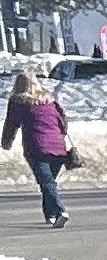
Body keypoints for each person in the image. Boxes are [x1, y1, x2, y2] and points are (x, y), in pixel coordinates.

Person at [2, 66, 70, 226]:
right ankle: (50, 216)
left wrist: (6, 143)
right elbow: (64, 122)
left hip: (37, 147)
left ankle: (60, 211)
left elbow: (11, 124)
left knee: (47, 183)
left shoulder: (19, 101)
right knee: (48, 182)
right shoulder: (51, 101)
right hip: (59, 147)